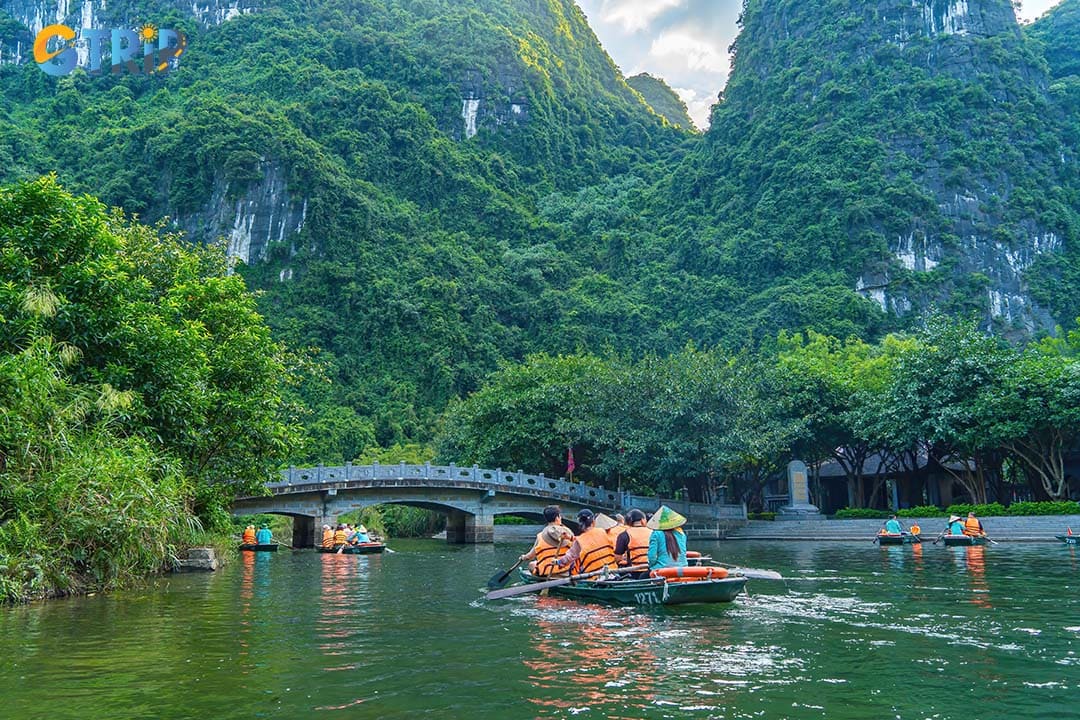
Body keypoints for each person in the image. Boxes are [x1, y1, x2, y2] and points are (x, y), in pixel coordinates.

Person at [555, 509, 616, 575]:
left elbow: (569, 557)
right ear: (593, 521)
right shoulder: (602, 531)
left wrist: (558, 562)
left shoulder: (580, 540)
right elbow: (592, 540)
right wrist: (570, 537)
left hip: (594, 577)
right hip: (613, 571)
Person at [520, 505, 574, 576]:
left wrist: (523, 557)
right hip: (567, 571)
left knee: (531, 565)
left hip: (547, 572)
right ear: (557, 518)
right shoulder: (568, 533)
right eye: (560, 516)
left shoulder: (540, 536)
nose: (561, 518)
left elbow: (530, 556)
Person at [647, 505, 688, 569]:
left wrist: (652, 566)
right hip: (683, 568)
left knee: (642, 576)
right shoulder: (681, 534)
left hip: (662, 569)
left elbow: (652, 557)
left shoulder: (656, 534)